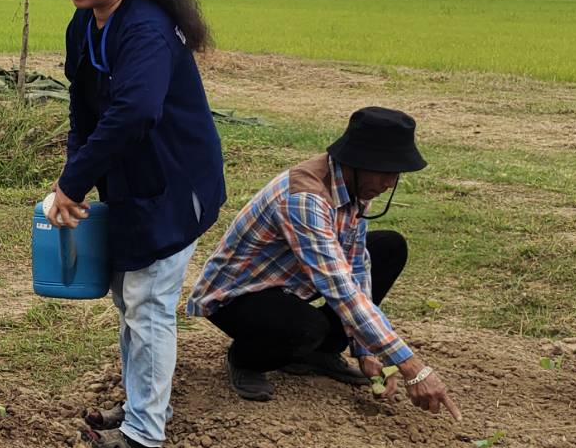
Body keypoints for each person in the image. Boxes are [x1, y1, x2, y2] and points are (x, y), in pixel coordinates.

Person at [46, 0, 227, 448]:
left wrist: (73, 182)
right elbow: (84, 106)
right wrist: (76, 174)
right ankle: (142, 407)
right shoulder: (86, 25)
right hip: (131, 182)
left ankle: (146, 431)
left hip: (174, 184)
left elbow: (133, 115)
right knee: (130, 299)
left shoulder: (146, 29)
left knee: (148, 304)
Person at [188, 107, 461, 420]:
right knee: (305, 326)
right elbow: (340, 288)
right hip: (238, 296)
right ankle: (246, 358)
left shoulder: (356, 184)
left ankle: (319, 352)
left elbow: (357, 265)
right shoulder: (305, 198)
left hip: (292, 282)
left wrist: (366, 349)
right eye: (385, 171)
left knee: (388, 247)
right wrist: (412, 367)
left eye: (395, 173)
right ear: (356, 162)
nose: (390, 182)